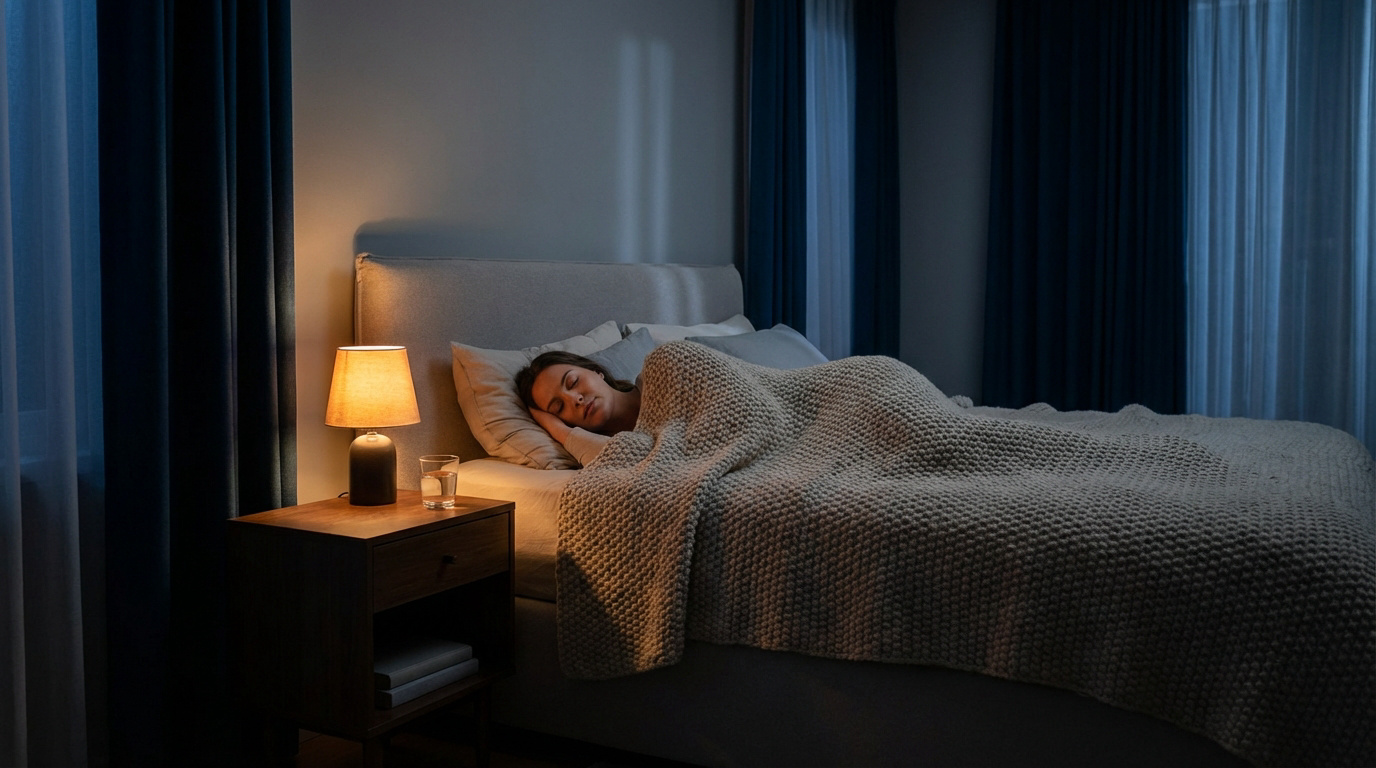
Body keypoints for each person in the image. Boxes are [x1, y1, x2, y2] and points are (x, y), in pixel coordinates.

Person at [515, 351, 643, 466]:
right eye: (559, 407)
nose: (575, 399)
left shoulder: (658, 369)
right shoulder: (600, 451)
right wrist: (559, 430)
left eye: (573, 382)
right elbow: (624, 470)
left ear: (595, 371)